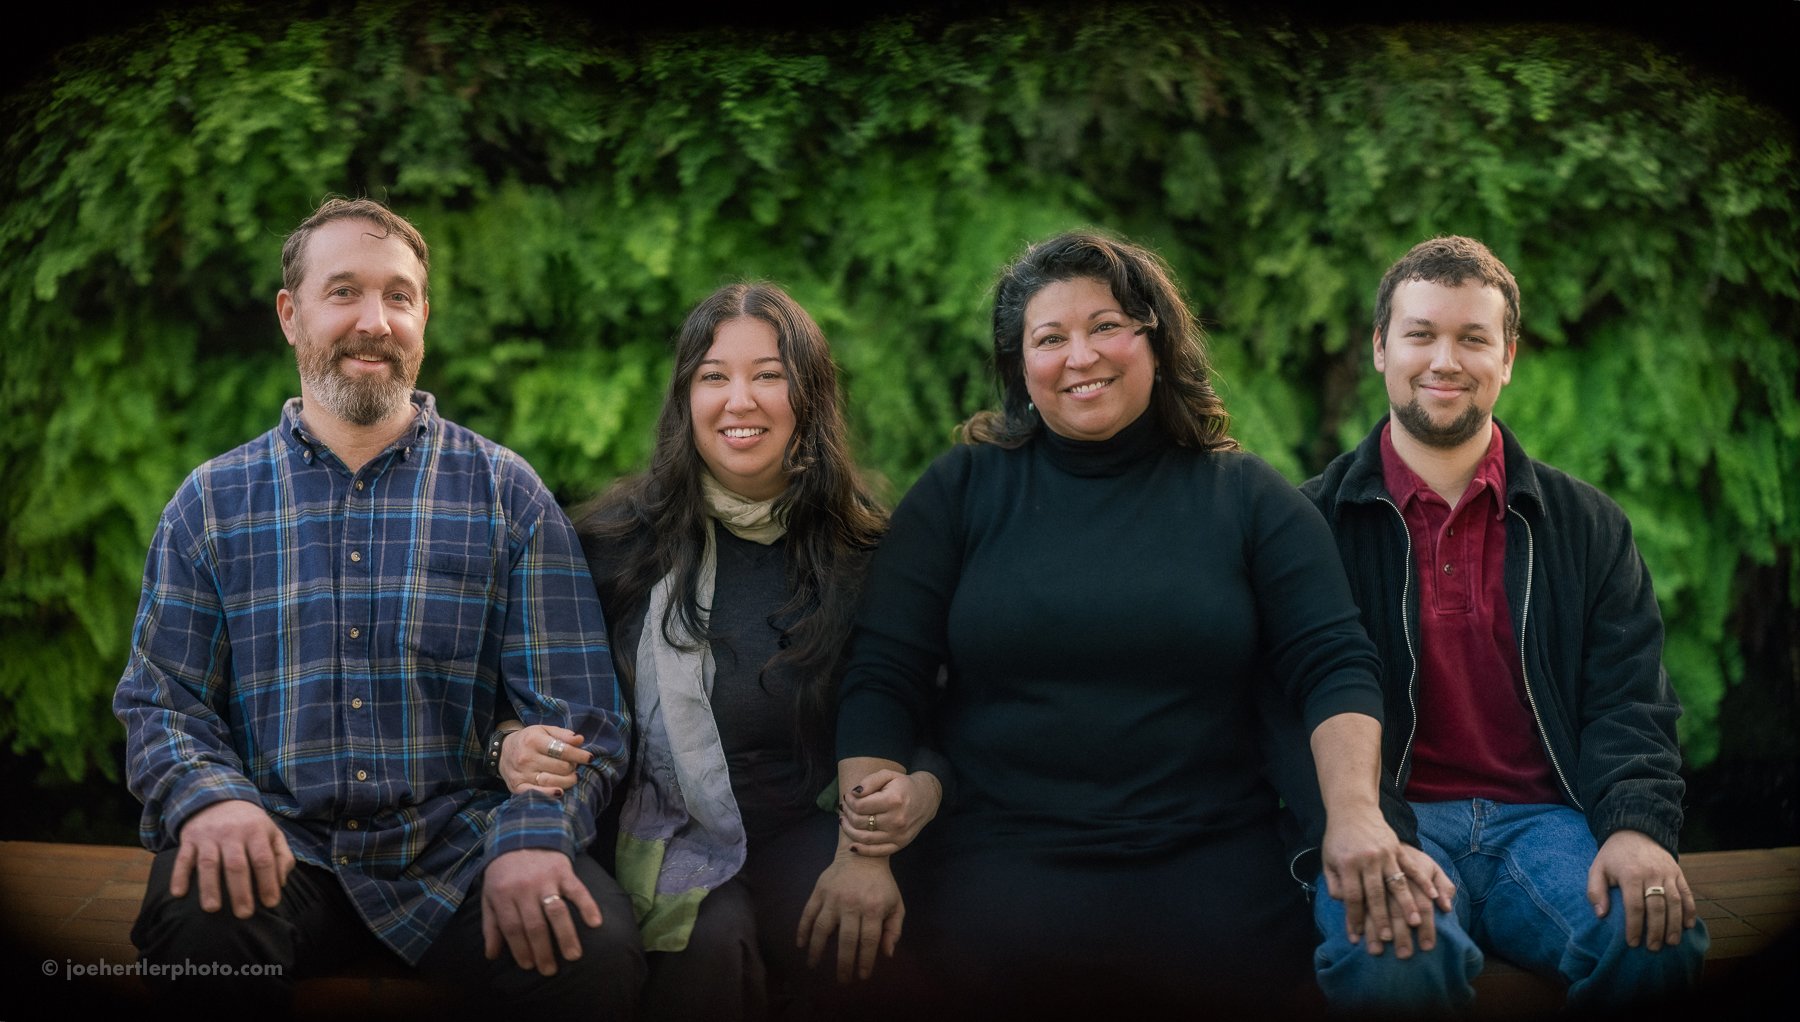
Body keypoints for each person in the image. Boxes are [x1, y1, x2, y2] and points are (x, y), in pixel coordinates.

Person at [809, 229, 1449, 1016]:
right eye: (1050, 338)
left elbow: (1335, 663)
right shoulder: (960, 492)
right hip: (1001, 869)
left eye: (1106, 325)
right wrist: (862, 858)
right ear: (1019, 366)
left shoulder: (1247, 498)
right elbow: (883, 675)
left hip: (1213, 874)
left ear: (1156, 339)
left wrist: (1355, 818)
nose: (1081, 357)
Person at [112, 197, 644, 1015]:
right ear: (291, 315)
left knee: (592, 951)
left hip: (459, 850)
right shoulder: (210, 504)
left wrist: (534, 838)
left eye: (398, 295)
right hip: (279, 841)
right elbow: (160, 701)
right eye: (344, 292)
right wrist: (212, 799)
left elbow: (580, 716)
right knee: (199, 929)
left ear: (424, 315)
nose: (376, 320)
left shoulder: (507, 495)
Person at [496, 281, 945, 1021]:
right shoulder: (611, 546)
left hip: (810, 828)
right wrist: (511, 739)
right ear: (686, 400)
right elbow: (526, 690)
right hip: (653, 829)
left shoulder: (869, 553)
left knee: (860, 945)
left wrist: (919, 792)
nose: (741, 400)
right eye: (715, 376)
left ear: (811, 397)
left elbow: (930, 714)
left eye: (769, 375)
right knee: (708, 944)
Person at [1301, 235, 1709, 1014]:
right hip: (1392, 825)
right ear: (1381, 348)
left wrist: (1636, 827)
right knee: (1397, 960)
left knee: (1658, 938)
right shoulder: (1310, 524)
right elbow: (1286, 703)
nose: (1444, 360)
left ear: (1509, 357)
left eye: (1472, 338)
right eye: (1420, 334)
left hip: (1549, 828)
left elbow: (1631, 700)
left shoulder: (1587, 525)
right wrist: (1361, 824)